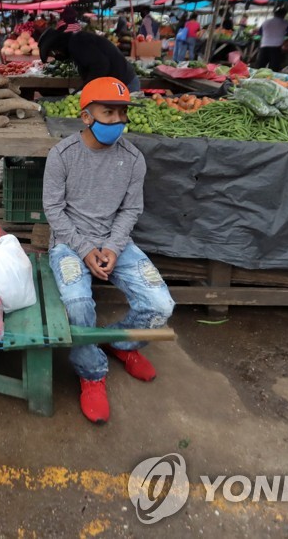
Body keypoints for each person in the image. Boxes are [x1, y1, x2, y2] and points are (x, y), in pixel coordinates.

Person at [42, 76, 175, 424]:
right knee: (77, 304)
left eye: (122, 112)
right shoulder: (62, 155)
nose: (117, 120)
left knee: (161, 304)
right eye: (108, 112)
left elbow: (131, 210)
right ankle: (92, 371)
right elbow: (53, 210)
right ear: (86, 116)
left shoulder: (133, 159)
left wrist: (113, 248)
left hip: (116, 242)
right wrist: (86, 249)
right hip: (70, 245)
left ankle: (122, 344)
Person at [38, 28, 139, 90]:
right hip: (117, 83)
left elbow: (101, 66)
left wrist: (84, 90)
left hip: (125, 85)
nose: (57, 56)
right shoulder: (75, 43)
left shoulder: (79, 43)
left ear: (58, 46)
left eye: (54, 53)